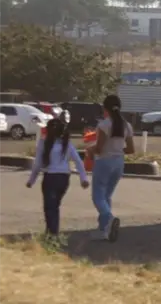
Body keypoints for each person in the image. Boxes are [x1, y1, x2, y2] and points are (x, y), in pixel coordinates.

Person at [26, 117, 89, 238]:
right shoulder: (66, 144)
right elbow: (78, 161)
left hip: (50, 178)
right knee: (54, 206)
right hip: (64, 178)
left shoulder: (43, 143)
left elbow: (38, 163)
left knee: (50, 207)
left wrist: (31, 180)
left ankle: (52, 234)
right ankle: (51, 232)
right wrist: (83, 178)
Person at [89, 94, 134, 242]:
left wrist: (89, 150)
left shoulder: (104, 125)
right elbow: (131, 149)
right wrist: (118, 149)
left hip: (104, 162)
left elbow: (100, 148)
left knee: (97, 196)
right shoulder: (126, 125)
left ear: (105, 108)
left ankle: (109, 219)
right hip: (119, 162)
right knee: (107, 196)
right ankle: (103, 231)